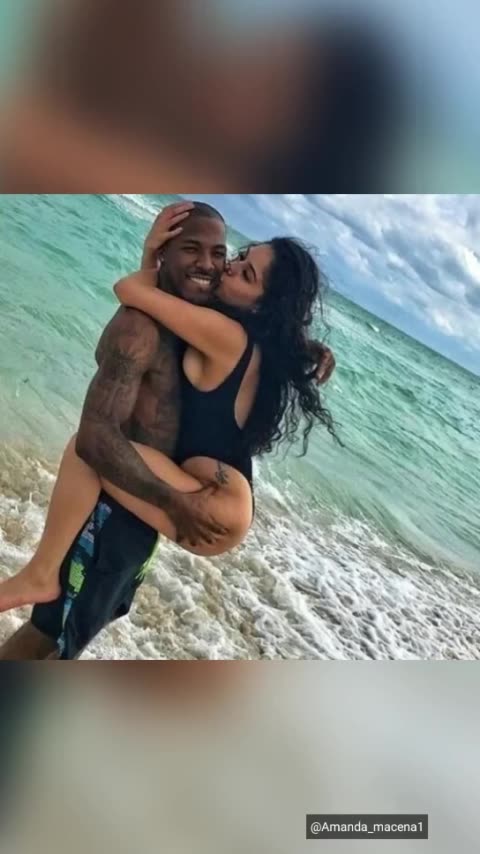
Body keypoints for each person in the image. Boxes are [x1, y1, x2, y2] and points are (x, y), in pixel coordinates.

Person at [0, 201, 335, 659]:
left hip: (212, 501)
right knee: (54, 635)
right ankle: (42, 575)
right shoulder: (242, 332)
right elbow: (165, 299)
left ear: (263, 305)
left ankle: (41, 572)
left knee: (87, 447)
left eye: (244, 273)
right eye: (239, 256)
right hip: (217, 499)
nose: (226, 267)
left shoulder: (226, 334)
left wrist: (151, 252)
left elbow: (130, 290)